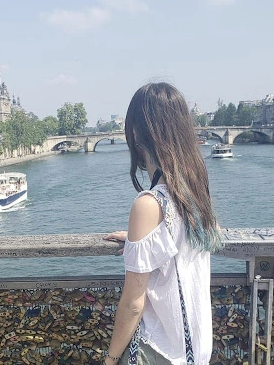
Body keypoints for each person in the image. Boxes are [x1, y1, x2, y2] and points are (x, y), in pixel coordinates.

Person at [103, 82, 221, 365]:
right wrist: (138, 242)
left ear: (136, 134)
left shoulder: (149, 204)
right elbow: (186, 240)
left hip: (160, 349)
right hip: (196, 345)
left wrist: (109, 359)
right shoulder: (195, 194)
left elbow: (133, 304)